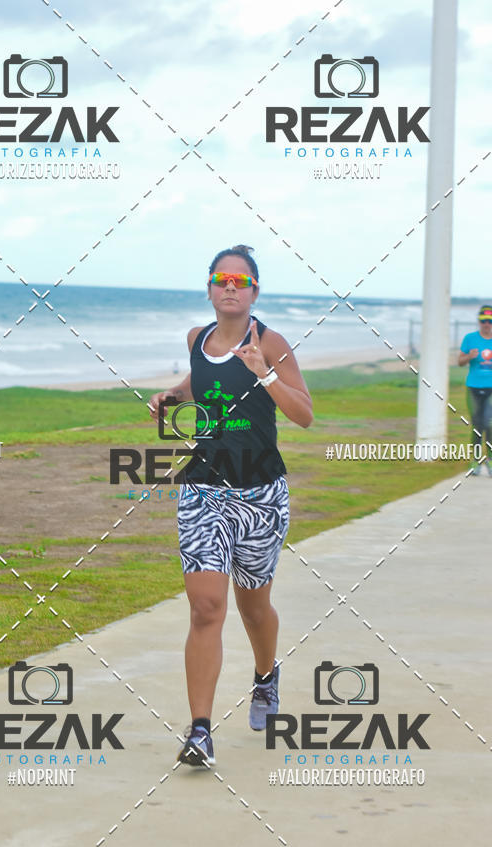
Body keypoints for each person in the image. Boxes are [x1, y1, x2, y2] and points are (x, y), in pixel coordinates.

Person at [149, 245, 313, 766]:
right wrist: (174, 396)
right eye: (221, 279)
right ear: (209, 288)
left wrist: (266, 372)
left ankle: (265, 675)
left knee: (253, 606)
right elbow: (201, 380)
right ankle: (200, 731)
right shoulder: (196, 339)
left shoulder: (270, 342)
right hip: (204, 489)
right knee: (206, 608)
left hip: (261, 494)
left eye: (240, 281)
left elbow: (304, 413)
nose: (229, 287)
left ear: (254, 291)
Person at [458, 304, 492, 475]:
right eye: (483, 321)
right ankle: (476, 461)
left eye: (489, 321)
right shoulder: (470, 338)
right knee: (477, 425)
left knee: (490, 424)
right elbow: (459, 361)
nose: (486, 324)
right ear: (479, 321)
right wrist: (469, 357)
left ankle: (490, 461)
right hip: (473, 387)